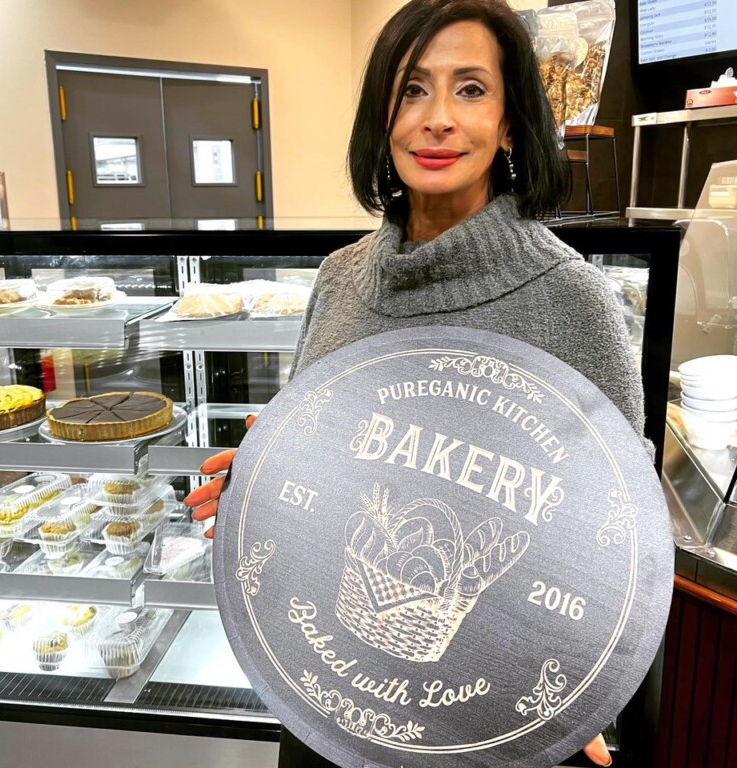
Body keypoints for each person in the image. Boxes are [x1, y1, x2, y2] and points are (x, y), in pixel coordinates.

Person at [185, 1, 647, 765]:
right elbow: (348, 470)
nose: (437, 119)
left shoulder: (573, 301)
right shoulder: (341, 278)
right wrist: (270, 478)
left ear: (509, 124)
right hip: (325, 700)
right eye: (411, 90)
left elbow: (609, 540)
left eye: (470, 89)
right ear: (382, 116)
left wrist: (583, 681)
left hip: (479, 718)